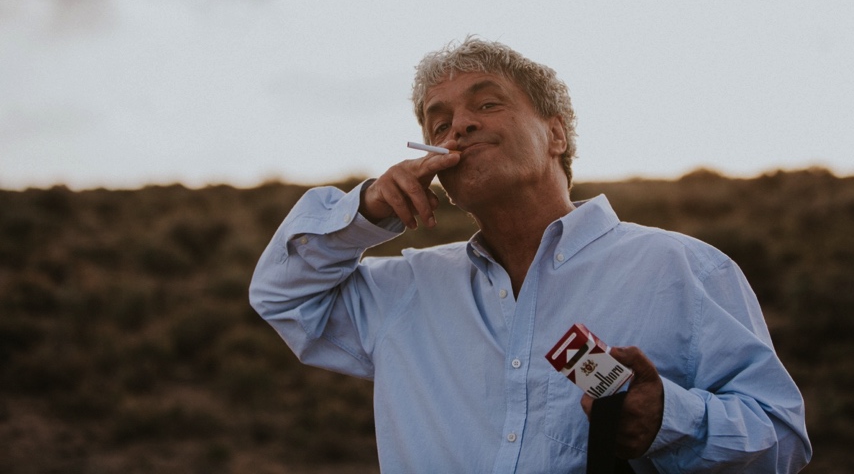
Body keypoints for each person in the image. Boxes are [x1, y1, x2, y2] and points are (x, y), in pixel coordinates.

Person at [249, 37, 812, 473]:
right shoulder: (407, 289)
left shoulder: (681, 269)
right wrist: (367, 211)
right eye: (437, 122)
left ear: (556, 135)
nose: (459, 125)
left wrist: (672, 420)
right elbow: (282, 294)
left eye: (487, 104)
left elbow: (781, 442)